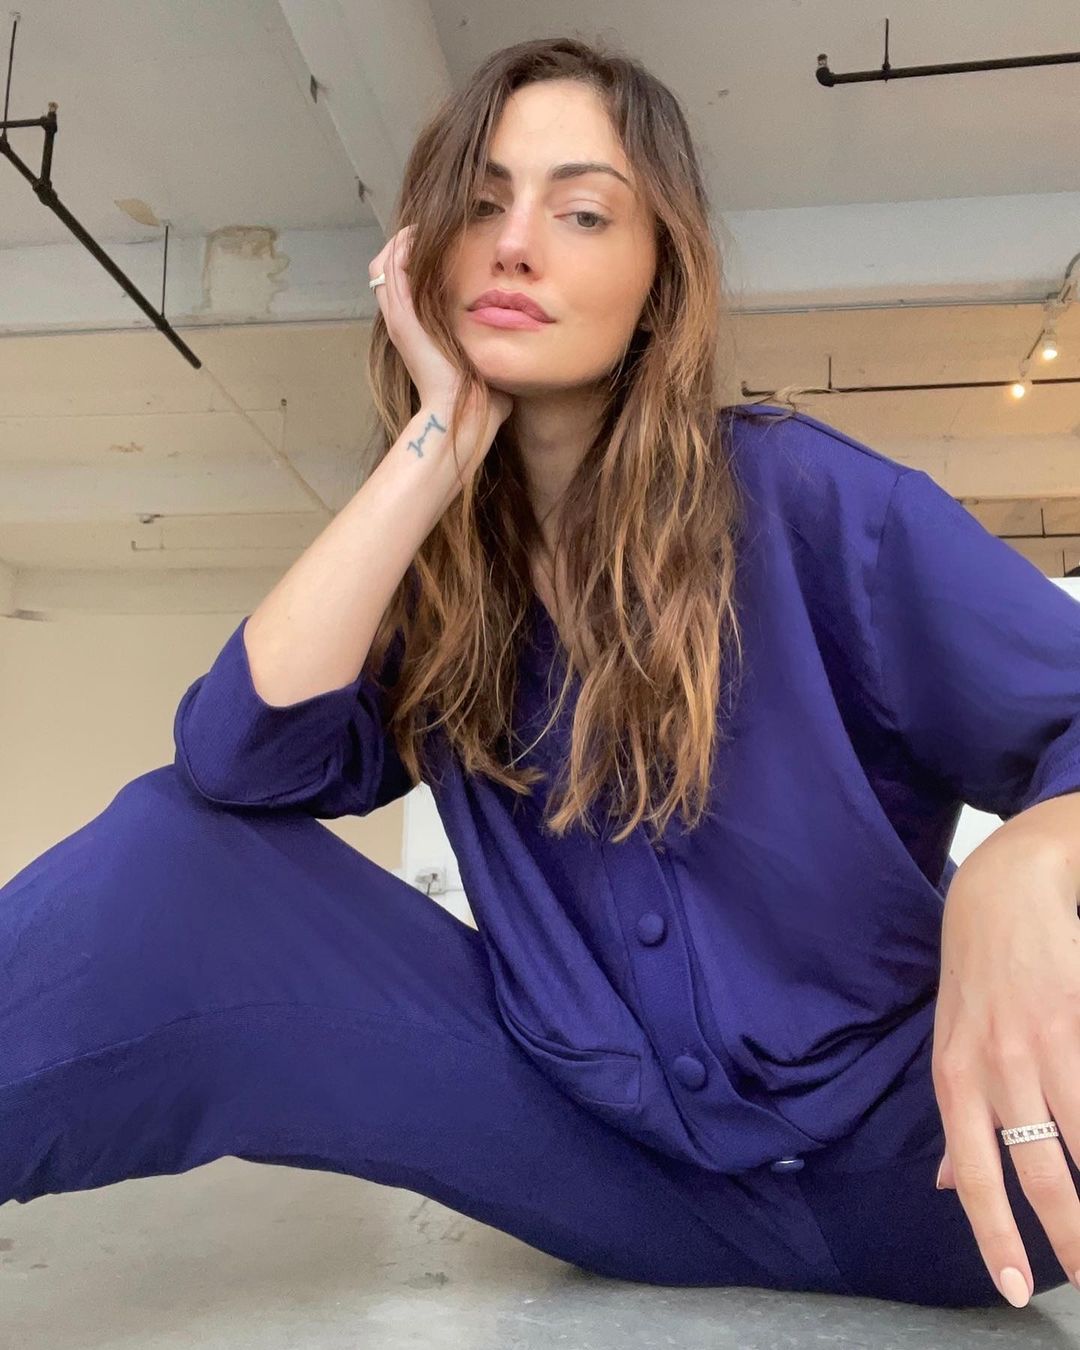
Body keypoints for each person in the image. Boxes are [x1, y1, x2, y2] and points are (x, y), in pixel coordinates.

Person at [1, 35, 1078, 1312]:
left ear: (660, 272)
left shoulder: (812, 500)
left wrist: (1024, 859)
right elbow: (237, 759)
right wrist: (436, 438)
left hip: (940, 1168)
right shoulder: (442, 582)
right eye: (480, 204)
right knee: (175, 853)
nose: (515, 245)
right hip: (603, 1161)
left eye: (581, 213)